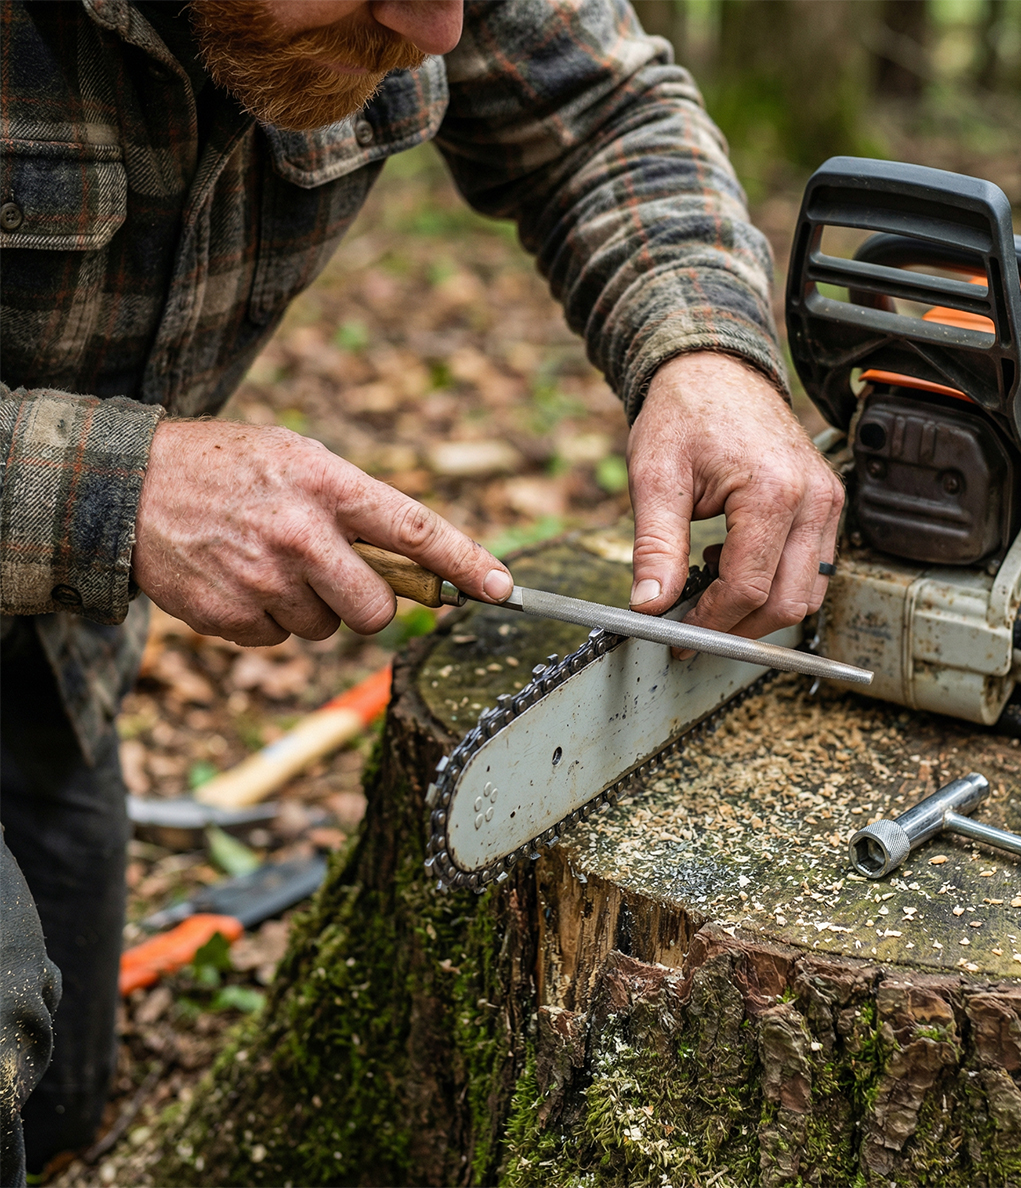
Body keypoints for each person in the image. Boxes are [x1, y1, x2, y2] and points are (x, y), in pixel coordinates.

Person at [0, 0, 844, 1176]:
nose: (438, 28)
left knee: (53, 1098)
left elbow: (597, 111)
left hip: (44, 643)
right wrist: (113, 489)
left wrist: (707, 349)